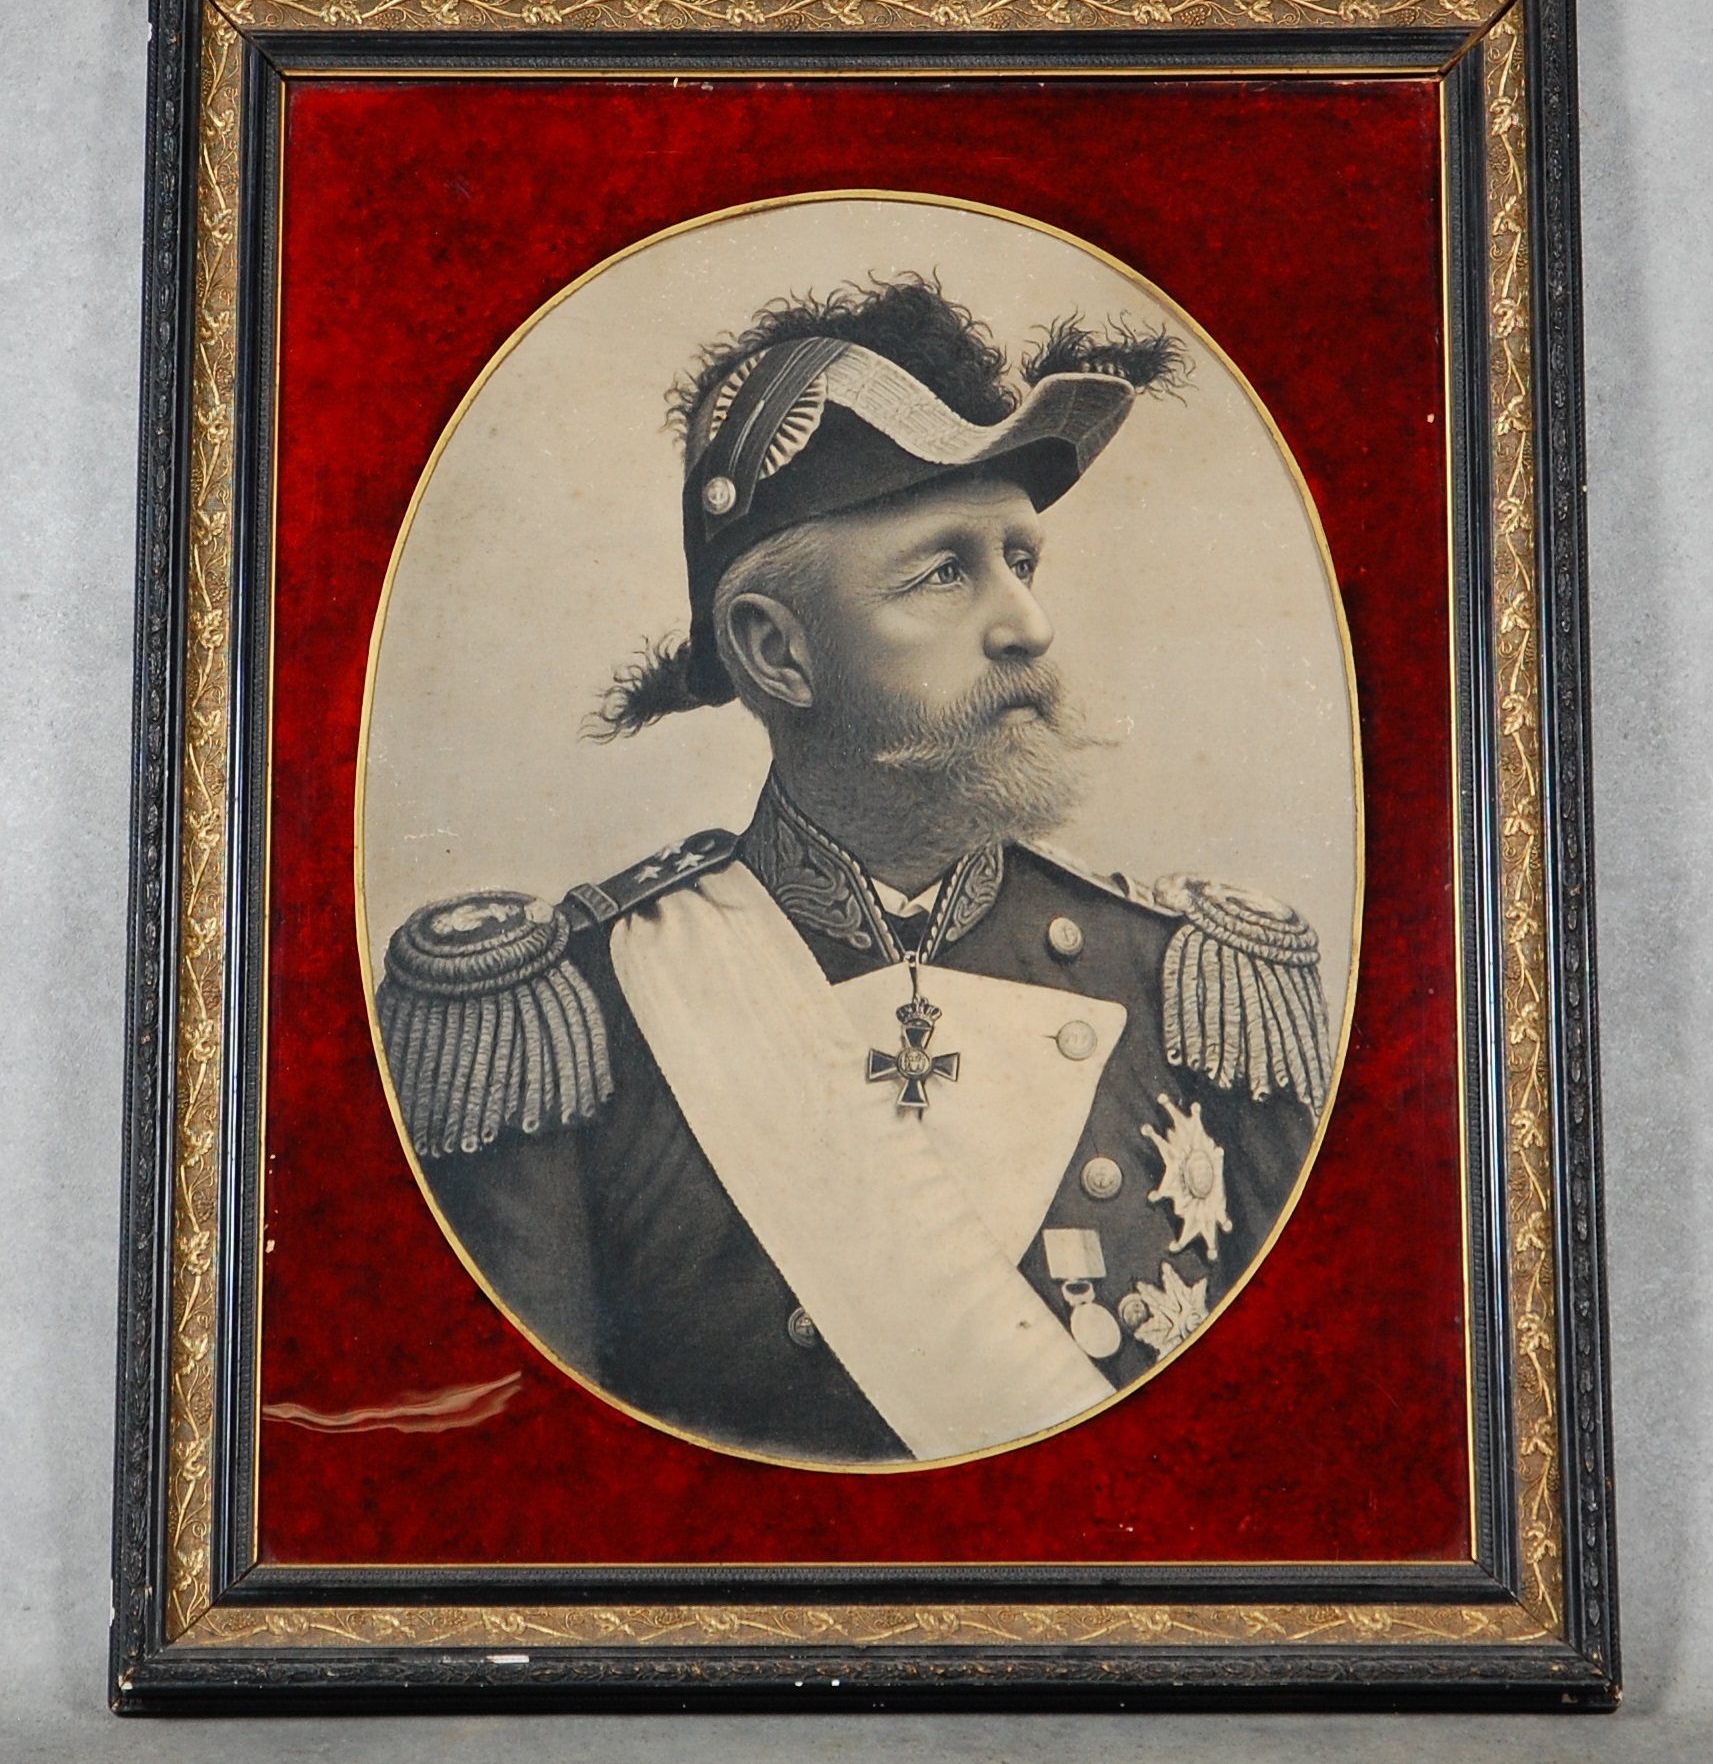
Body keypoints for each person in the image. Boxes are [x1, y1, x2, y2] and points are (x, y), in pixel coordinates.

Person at [377, 277, 1331, 1465]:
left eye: (1021, 559)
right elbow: (538, 1488)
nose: (1027, 625)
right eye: (945, 573)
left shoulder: (1197, 986)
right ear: (777, 651)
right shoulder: (569, 1018)